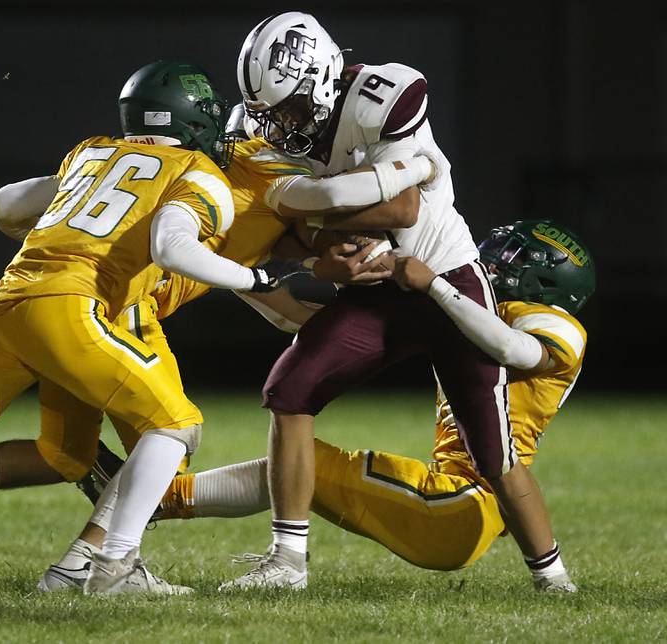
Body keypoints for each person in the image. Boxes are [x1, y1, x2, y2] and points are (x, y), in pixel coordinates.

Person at [0, 103, 394, 583]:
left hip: (15, 296)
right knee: (170, 431)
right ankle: (99, 567)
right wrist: (412, 167)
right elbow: (321, 202)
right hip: (108, 306)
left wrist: (336, 309)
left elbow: (2, 206)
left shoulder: (103, 154)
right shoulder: (245, 176)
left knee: (63, 454)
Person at [43, 219, 594, 594]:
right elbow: (311, 321)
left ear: (548, 276)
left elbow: (514, 348)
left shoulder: (552, 323)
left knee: (309, 463)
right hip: (460, 502)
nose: (493, 258)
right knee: (299, 467)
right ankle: (158, 502)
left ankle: (158, 508)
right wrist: (243, 276)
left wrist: (436, 288)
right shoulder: (476, 309)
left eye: (514, 255)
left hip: (455, 506)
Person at [224, 11, 573, 590]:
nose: (282, 125)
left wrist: (301, 212)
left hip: (445, 280)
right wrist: (315, 245)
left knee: (493, 453)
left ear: (324, 74)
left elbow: (401, 209)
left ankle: (553, 576)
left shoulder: (380, 97)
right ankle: (287, 562)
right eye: (271, 113)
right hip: (375, 293)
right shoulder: (275, 133)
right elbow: (276, 233)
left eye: (290, 108)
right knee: (289, 390)